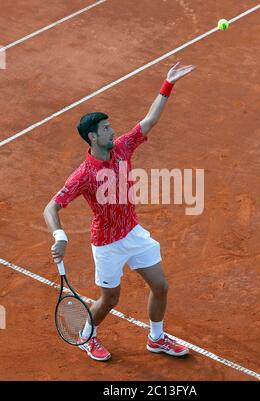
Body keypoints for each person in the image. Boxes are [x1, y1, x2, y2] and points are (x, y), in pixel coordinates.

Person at [43, 61, 196, 361]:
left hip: (133, 232)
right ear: (93, 138)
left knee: (160, 285)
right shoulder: (83, 175)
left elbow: (149, 121)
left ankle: (156, 338)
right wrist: (59, 235)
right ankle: (88, 335)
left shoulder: (123, 147)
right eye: (105, 129)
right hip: (107, 244)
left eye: (110, 127)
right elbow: (52, 207)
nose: (112, 131)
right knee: (109, 299)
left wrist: (168, 84)